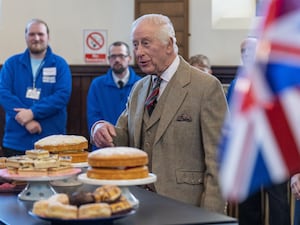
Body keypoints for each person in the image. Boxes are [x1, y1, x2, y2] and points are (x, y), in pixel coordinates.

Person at [90, 13, 228, 214]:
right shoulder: (139, 88)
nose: (139, 52)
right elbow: (124, 135)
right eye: (135, 45)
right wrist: (101, 129)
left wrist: (211, 216)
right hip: (138, 203)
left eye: (145, 43)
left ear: (169, 44)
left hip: (186, 207)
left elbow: (220, 161)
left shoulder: (205, 87)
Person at [227, 37, 291, 225]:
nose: (248, 56)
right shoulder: (236, 85)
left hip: (272, 150)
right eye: (244, 53)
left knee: (278, 201)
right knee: (248, 203)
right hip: (246, 151)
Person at [0, 18, 72, 157]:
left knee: (50, 179)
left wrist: (32, 112)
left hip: (51, 141)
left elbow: (62, 96)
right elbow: (3, 93)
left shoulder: (60, 64)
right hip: (16, 141)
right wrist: (26, 120)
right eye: (32, 34)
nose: (36, 38)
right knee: (16, 179)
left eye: (40, 34)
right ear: (26, 37)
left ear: (48, 37)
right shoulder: (11, 64)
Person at [87, 41, 141, 150]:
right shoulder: (97, 85)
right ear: (108, 59)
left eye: (121, 56)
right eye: (113, 56)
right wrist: (104, 136)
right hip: (104, 146)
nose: (117, 60)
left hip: (132, 147)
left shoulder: (141, 84)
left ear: (129, 58)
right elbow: (93, 116)